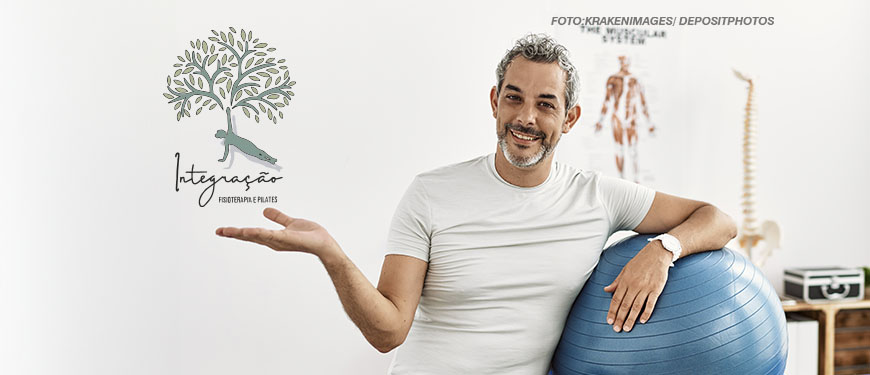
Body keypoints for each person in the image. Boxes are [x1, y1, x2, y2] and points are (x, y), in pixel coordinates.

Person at [215, 34, 736, 374]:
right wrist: (332, 254)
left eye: (545, 103)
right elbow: (388, 331)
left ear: (571, 118)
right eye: (513, 97)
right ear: (494, 101)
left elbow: (718, 219)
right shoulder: (431, 193)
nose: (526, 117)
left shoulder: (598, 196)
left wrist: (663, 249)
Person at [594, 55, 655, 182]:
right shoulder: (613, 79)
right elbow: (607, 101)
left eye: (626, 61)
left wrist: (649, 123)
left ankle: (636, 181)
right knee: (619, 149)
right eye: (622, 61)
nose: (624, 63)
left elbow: (643, 102)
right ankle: (621, 180)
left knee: (633, 149)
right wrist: (600, 120)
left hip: (631, 118)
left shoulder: (636, 80)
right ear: (619, 62)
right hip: (617, 118)